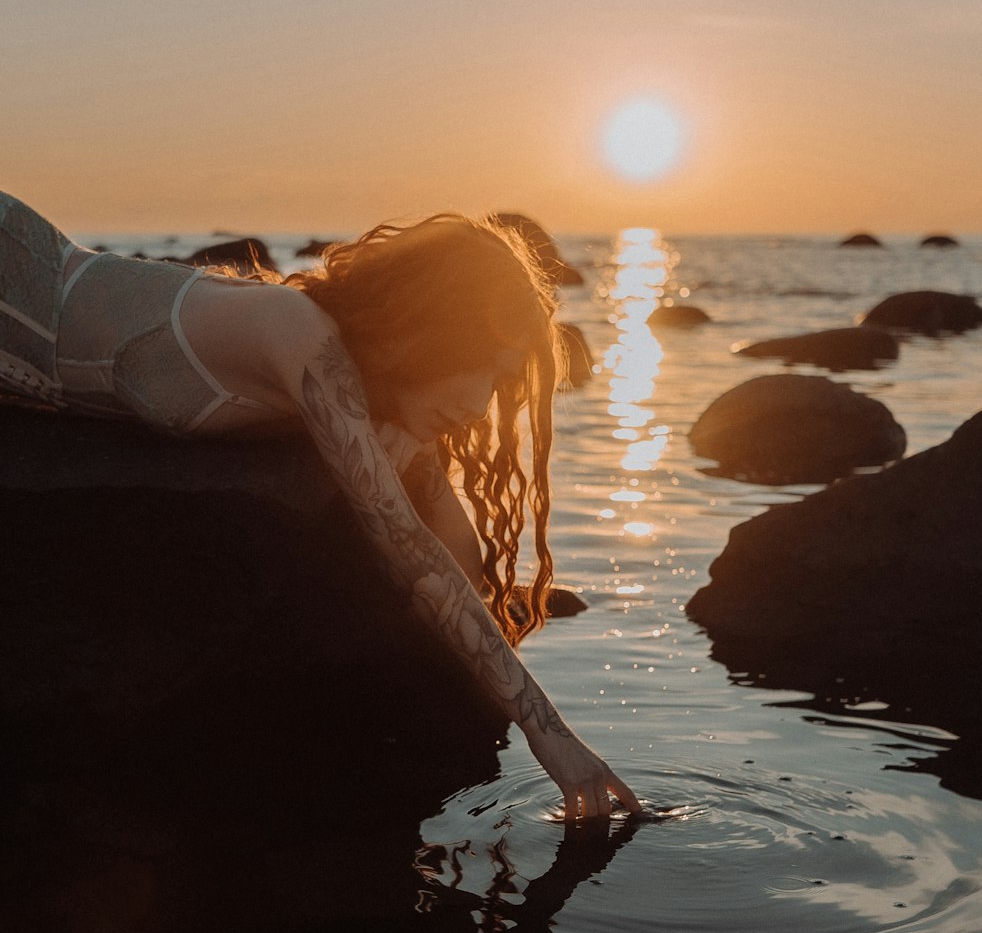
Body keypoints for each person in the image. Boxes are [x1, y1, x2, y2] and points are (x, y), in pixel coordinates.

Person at [0, 191, 640, 819]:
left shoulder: (366, 395)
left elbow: (463, 566)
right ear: (434, 330)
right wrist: (550, 736)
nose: (480, 405)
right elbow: (411, 553)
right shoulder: (299, 337)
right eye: (484, 369)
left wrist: (423, 455)